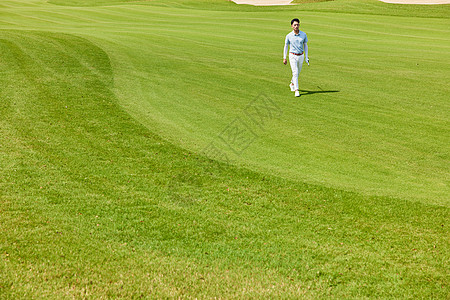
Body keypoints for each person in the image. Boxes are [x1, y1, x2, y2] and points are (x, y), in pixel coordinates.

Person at [283, 18, 309, 97]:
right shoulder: (289, 36)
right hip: (292, 56)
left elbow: (305, 45)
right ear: (292, 26)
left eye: (297, 24)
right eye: (295, 25)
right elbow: (286, 46)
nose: (296, 26)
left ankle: (292, 83)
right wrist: (284, 57)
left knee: (298, 72)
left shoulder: (303, 34)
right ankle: (296, 90)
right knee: (295, 72)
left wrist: (306, 57)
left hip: (301, 55)